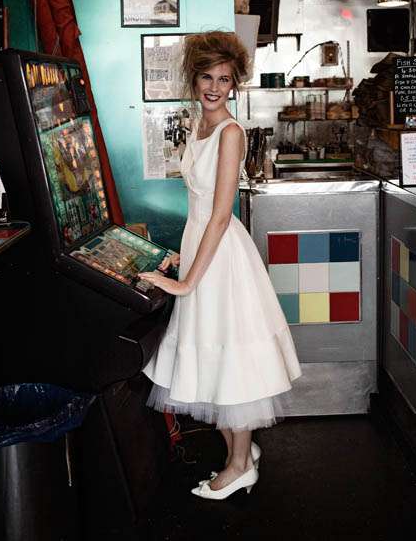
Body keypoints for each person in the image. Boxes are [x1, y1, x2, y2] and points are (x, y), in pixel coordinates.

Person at [139, 31, 301, 500]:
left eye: (224, 79)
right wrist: (182, 256)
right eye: (207, 77)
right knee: (215, 356)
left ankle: (239, 465)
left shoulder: (231, 133)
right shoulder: (198, 127)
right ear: (194, 79)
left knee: (232, 361)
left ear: (235, 84)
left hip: (222, 260)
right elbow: (199, 208)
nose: (214, 87)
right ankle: (243, 453)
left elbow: (221, 214)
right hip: (202, 249)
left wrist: (187, 281)